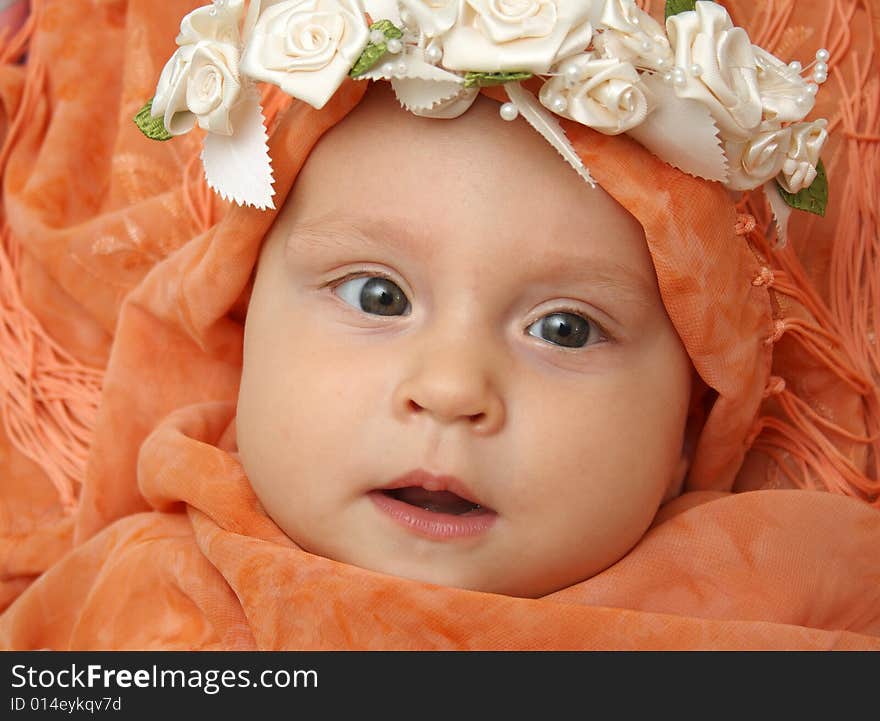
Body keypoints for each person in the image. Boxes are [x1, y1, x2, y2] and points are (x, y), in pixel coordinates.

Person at [0, 0, 878, 649]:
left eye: (566, 328)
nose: (453, 389)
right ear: (240, 329)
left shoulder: (781, 599)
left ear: (691, 422)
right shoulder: (128, 606)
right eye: (378, 297)